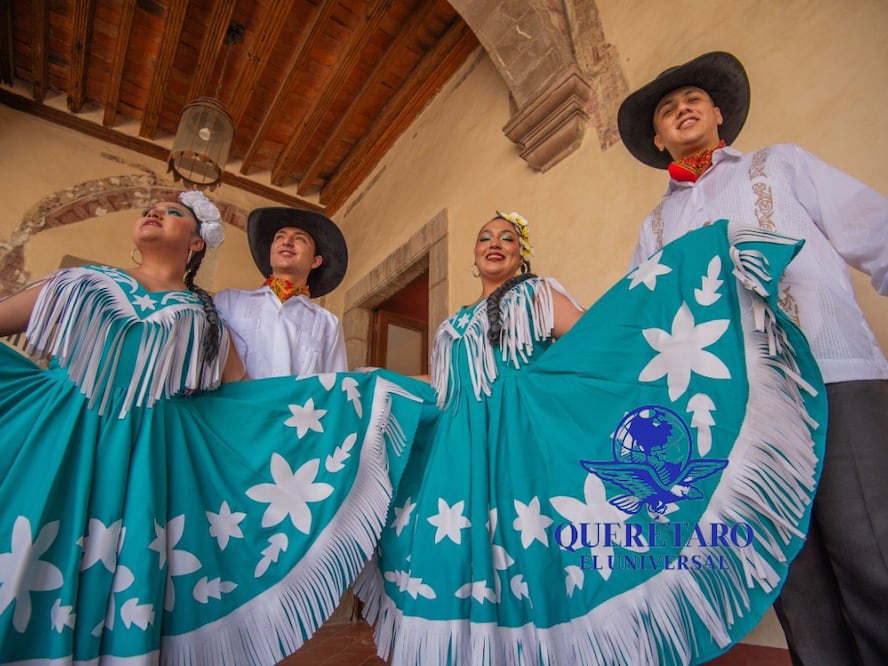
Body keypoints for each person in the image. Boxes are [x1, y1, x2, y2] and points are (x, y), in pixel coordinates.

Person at [355, 211, 827, 664]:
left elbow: (594, 341)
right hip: (458, 450)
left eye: (507, 238)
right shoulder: (450, 327)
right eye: (485, 238)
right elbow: (443, 383)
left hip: (516, 442)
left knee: (524, 546)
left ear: (521, 255)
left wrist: (692, 257)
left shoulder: (537, 294)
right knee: (456, 548)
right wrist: (378, 384)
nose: (495, 244)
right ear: (473, 255)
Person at [0, 191, 427, 664]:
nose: (155, 212)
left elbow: (320, 387)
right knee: (36, 540)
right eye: (280, 237)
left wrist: (375, 390)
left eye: (173, 212)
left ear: (197, 242)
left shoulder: (261, 321)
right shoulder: (211, 304)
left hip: (248, 441)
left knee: (133, 557)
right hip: (83, 432)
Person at [617, 51, 888, 665]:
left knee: (874, 552)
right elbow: (645, 322)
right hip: (736, 415)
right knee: (792, 579)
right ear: (658, 139)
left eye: (693, 99)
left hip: (832, 375)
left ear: (718, 114)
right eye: (667, 109)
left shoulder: (779, 164)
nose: (682, 109)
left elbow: (875, 230)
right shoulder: (654, 228)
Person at [215, 207, 348, 379]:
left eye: (300, 239)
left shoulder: (328, 324)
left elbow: (334, 385)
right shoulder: (228, 301)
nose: (287, 242)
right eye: (280, 237)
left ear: (315, 261)